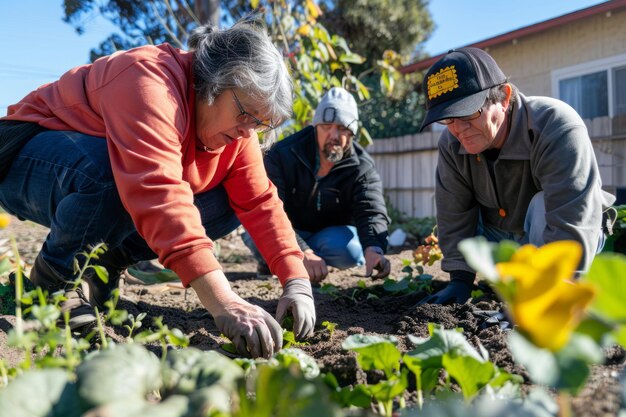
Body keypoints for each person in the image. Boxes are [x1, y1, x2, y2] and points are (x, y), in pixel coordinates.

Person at [0, 20, 315, 359]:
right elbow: (156, 188)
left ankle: (106, 264)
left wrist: (296, 281)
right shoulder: (150, 81)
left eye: (259, 123)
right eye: (245, 115)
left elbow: (259, 201)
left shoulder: (238, 133)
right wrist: (224, 301)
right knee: (110, 173)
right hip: (24, 155)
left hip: (101, 177)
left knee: (227, 200)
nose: (246, 131)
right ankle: (55, 283)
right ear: (215, 82)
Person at [418, 47, 616, 305]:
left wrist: (549, 297)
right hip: (507, 240)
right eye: (448, 119)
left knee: (541, 204)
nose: (458, 129)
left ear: (504, 97)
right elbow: (453, 212)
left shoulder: (554, 125)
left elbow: (572, 212)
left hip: (567, 235)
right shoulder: (451, 143)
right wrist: (460, 281)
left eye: (468, 114)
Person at [243, 87, 391, 283]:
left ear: (353, 132)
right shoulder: (282, 154)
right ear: (315, 127)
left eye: (343, 128)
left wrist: (374, 249)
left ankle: (295, 261)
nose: (334, 135)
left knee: (352, 251)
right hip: (287, 228)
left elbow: (371, 210)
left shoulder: (362, 167)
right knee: (258, 233)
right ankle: (274, 260)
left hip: (326, 236)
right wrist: (302, 250)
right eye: (327, 126)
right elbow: (269, 210)